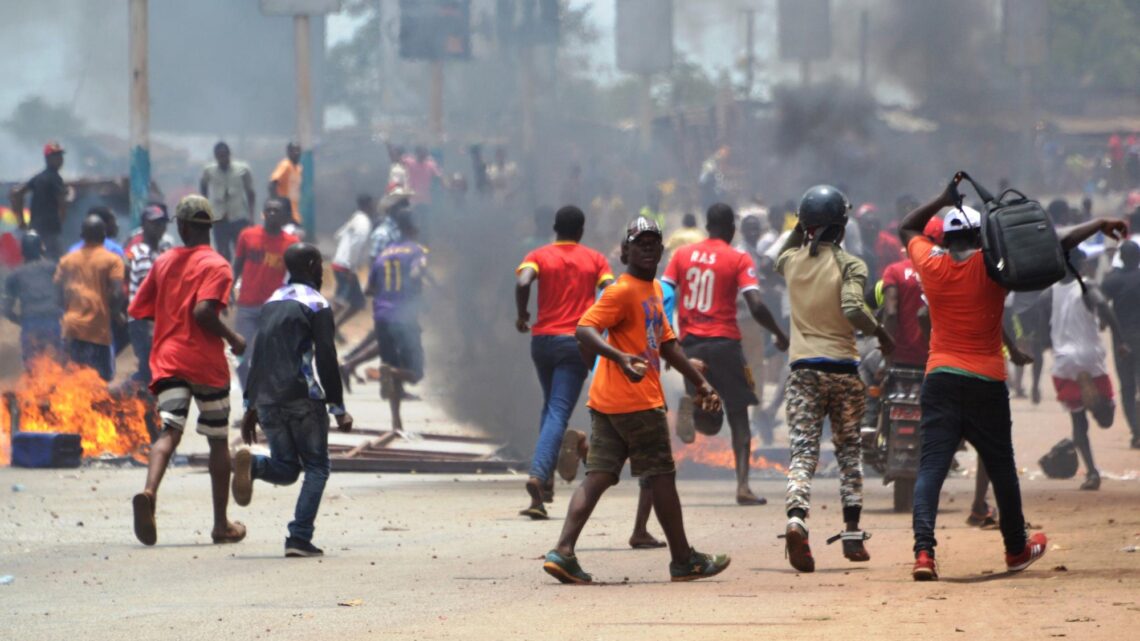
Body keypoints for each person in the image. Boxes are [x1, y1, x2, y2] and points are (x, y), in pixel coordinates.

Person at [898, 174, 1125, 580]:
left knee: (931, 466)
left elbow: (909, 226)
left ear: (946, 240)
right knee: (1000, 465)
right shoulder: (996, 268)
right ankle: (1016, 549)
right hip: (985, 380)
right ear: (982, 237)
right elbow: (1054, 246)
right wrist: (1099, 223)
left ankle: (923, 554)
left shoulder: (930, 263)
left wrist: (941, 198)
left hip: (941, 378)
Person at [541, 217, 730, 585]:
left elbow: (668, 343)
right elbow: (583, 329)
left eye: (652, 243)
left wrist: (701, 383)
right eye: (639, 243)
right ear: (625, 250)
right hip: (637, 402)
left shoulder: (655, 291)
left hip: (608, 403)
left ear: (661, 250)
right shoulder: (621, 290)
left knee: (598, 476)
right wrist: (620, 357)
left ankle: (562, 552)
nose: (646, 248)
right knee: (661, 477)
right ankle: (683, 560)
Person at [775, 186, 893, 573]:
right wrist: (881, 333)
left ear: (805, 225)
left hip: (803, 371)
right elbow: (852, 307)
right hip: (843, 369)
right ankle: (853, 534)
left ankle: (796, 519)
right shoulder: (851, 265)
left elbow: (780, 253)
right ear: (843, 228)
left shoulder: (791, 261)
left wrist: (804, 228)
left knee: (803, 452)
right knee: (848, 453)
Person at [128, 195, 247, 546]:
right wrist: (233, 337)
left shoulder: (163, 262)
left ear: (180, 227)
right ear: (208, 228)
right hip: (205, 365)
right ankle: (220, 525)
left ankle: (149, 493)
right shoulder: (218, 266)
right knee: (217, 441)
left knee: (169, 432)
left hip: (167, 360)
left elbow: (139, 309)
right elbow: (204, 313)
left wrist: (168, 317)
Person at [662, 203, 789, 506]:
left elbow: (665, 293)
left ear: (707, 226)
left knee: (709, 420)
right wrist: (780, 334)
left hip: (691, 347)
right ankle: (743, 486)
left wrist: (666, 339)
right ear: (732, 229)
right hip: (726, 346)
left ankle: (693, 407)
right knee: (738, 414)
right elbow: (756, 304)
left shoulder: (681, 255)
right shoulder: (738, 258)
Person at [232, 243, 354, 558]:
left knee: (287, 468)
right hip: (302, 397)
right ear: (312, 264)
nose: (323, 270)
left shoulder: (271, 302)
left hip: (268, 400)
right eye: (320, 264)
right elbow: (326, 356)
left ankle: (256, 466)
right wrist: (337, 408)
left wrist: (250, 405)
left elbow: (256, 354)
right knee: (317, 466)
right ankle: (299, 536)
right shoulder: (316, 304)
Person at [514, 206, 614, 519]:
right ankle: (539, 474)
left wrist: (522, 315)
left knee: (550, 408)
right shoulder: (595, 259)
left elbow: (522, 282)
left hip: (542, 341)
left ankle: (543, 490)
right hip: (575, 343)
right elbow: (610, 290)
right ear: (582, 230)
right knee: (558, 410)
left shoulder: (538, 255)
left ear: (555, 228)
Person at [1036, 249, 1124, 490]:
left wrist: (1034, 381)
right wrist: (1120, 338)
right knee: (1106, 420)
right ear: (1082, 264)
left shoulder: (1047, 295)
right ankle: (1099, 405)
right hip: (1091, 359)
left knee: (1078, 423)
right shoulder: (1086, 285)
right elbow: (1104, 307)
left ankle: (1092, 473)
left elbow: (1042, 337)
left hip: (1064, 363)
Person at [367, 210, 428, 434]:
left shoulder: (384, 253)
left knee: (391, 364)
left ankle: (396, 422)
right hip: (405, 316)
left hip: (382, 316)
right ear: (413, 229)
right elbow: (417, 271)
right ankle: (391, 372)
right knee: (415, 372)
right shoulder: (417, 250)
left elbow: (369, 288)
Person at [232, 198, 299, 391]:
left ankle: (266, 405)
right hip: (246, 306)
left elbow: (296, 275)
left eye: (276, 211)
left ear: (285, 216)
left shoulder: (291, 243)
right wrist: (227, 288)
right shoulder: (247, 236)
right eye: (268, 210)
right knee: (242, 358)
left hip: (273, 309)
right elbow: (237, 266)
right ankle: (249, 404)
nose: (271, 214)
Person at [54, 214, 125, 382]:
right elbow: (117, 293)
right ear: (103, 235)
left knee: (73, 381)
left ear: (82, 236)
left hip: (72, 328)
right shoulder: (113, 260)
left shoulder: (67, 260)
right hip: (98, 329)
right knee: (102, 380)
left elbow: (56, 291)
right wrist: (115, 313)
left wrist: (67, 310)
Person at [125, 204, 171, 385]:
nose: (159, 228)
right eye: (154, 223)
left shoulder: (160, 252)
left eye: (161, 223)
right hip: (143, 321)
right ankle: (121, 396)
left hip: (155, 320)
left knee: (153, 368)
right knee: (147, 369)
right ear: (144, 224)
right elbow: (149, 290)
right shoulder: (140, 252)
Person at [3, 231, 63, 367]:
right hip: (51, 322)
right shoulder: (53, 268)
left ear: (22, 251)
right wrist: (61, 312)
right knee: (56, 365)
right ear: (42, 248)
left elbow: (6, 309)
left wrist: (19, 320)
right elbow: (65, 294)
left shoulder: (14, 276)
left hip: (30, 324)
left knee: (31, 367)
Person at [1102, 240, 1140, 449]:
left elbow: (1099, 302)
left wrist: (1102, 322)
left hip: (1122, 341)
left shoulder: (1112, 281)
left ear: (1122, 258)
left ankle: (1136, 431)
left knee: (1127, 388)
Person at [9, 141, 68, 259]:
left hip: (35, 230)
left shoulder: (39, 177)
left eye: (60, 155)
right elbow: (63, 202)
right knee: (57, 262)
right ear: (48, 158)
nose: (60, 159)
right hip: (51, 232)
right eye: (56, 156)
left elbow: (16, 193)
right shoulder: (55, 178)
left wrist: (21, 221)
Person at [200, 141, 256, 263]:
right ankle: (226, 276)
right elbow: (203, 186)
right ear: (215, 156)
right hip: (219, 217)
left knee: (241, 250)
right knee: (222, 251)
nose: (222, 158)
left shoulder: (242, 169)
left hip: (239, 216)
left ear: (229, 154)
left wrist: (251, 216)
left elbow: (250, 192)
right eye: (219, 156)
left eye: (224, 155)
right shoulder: (209, 171)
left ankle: (239, 278)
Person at [331, 195, 375, 340]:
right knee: (341, 301)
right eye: (372, 205)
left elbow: (337, 236)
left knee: (357, 302)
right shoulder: (364, 223)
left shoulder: (355, 218)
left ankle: (333, 328)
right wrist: (351, 267)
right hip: (346, 266)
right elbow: (356, 245)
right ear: (368, 206)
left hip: (339, 262)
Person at [269, 142, 303, 224]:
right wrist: (276, 205)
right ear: (288, 152)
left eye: (298, 150)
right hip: (284, 213)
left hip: (294, 212)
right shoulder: (285, 165)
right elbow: (273, 183)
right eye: (293, 151)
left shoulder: (299, 168)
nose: (296, 153)